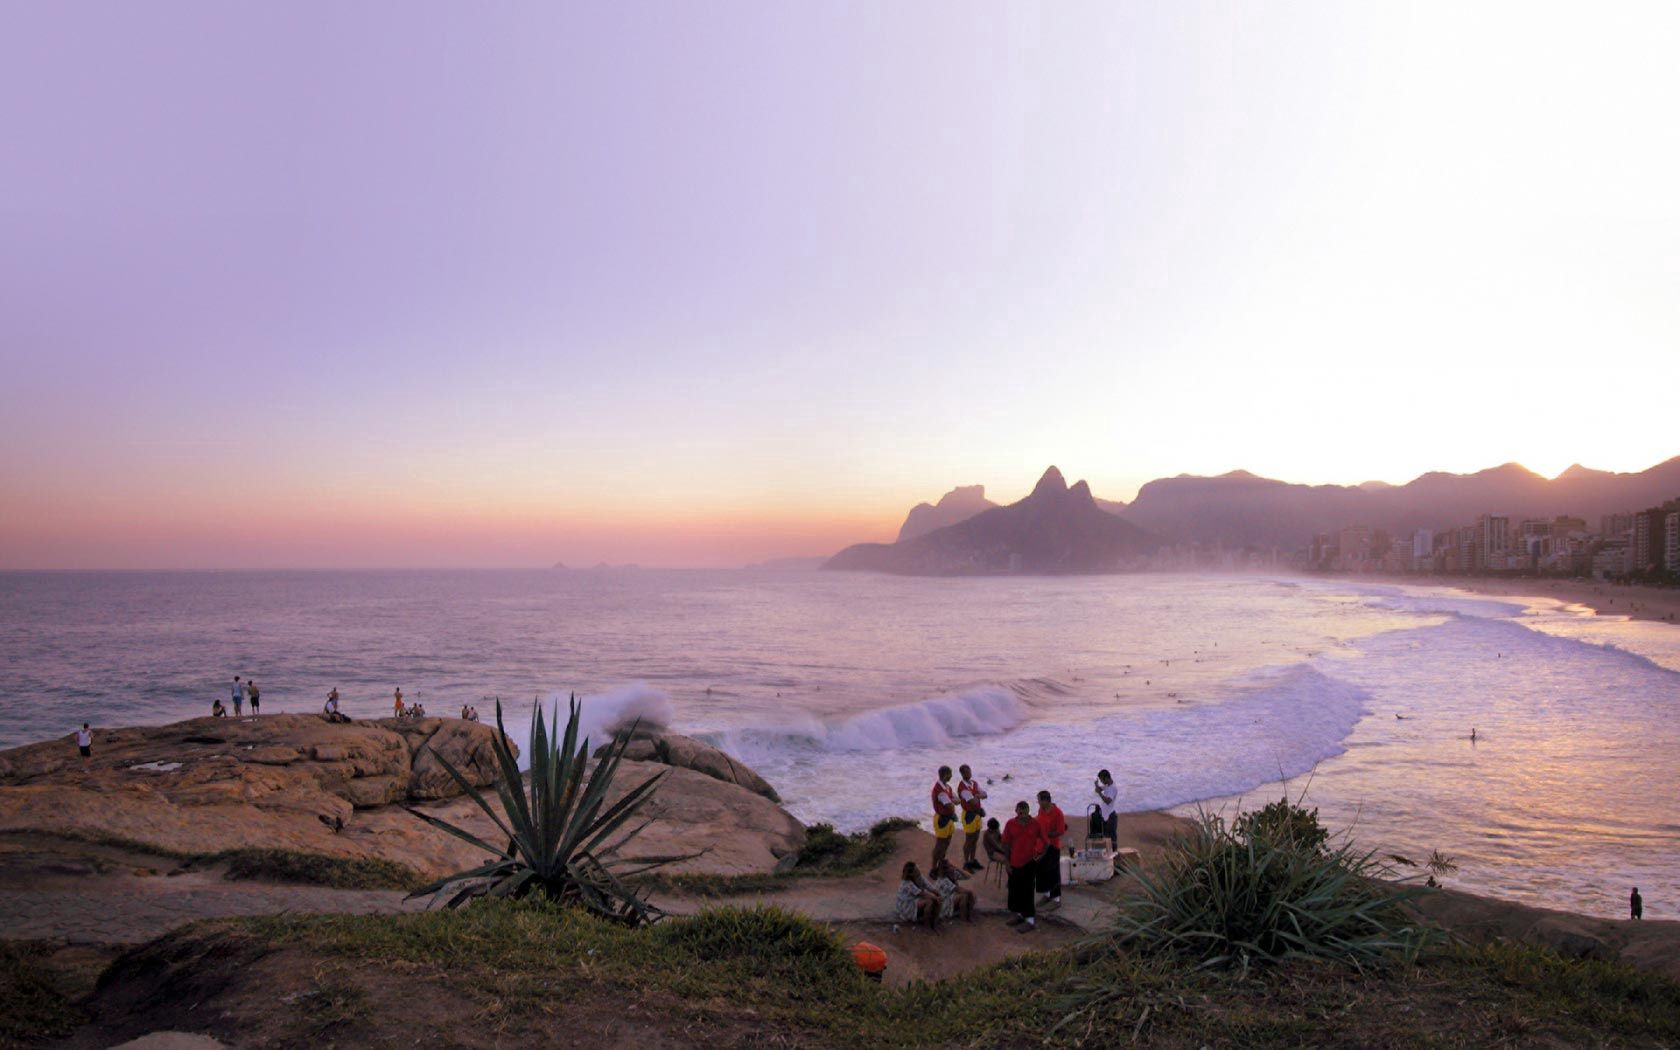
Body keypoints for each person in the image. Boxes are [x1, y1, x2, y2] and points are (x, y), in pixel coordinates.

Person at [1002, 801, 1047, 933]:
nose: (1022, 815)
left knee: (1027, 891)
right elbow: (1005, 844)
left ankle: (1030, 920)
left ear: (1028, 811)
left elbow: (1046, 842)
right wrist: (1006, 862)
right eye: (1020, 812)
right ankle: (1019, 915)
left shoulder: (1035, 824)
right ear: (1016, 811)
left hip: (1029, 863)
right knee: (1014, 890)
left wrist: (1040, 856)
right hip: (1014, 863)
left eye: (1025, 811)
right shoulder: (1010, 824)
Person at [1035, 790, 1067, 908]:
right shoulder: (1041, 810)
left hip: (1052, 846)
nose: (1038, 803)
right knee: (1042, 871)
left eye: (1039, 801)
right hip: (1040, 845)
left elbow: (1061, 831)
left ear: (1045, 800)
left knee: (1053, 872)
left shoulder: (1058, 813)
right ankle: (1047, 894)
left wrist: (1047, 835)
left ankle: (1056, 899)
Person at [957, 764, 988, 872]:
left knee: (975, 839)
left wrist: (977, 795)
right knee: (969, 840)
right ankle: (966, 863)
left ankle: (972, 860)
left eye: (969, 771)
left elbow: (985, 795)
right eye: (966, 772)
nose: (969, 773)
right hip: (969, 815)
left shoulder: (974, 783)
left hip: (976, 814)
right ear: (962, 774)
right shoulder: (962, 788)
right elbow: (973, 802)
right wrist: (978, 796)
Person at [894, 861, 941, 931]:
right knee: (929, 902)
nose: (918, 871)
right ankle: (927, 926)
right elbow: (922, 894)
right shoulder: (907, 884)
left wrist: (938, 894)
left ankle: (934, 924)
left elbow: (929, 886)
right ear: (911, 874)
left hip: (914, 900)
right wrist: (936, 898)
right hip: (907, 905)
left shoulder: (919, 877)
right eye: (916, 870)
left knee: (935, 900)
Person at [930, 765, 958, 870]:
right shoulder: (940, 790)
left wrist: (951, 800)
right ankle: (933, 868)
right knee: (939, 845)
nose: (951, 776)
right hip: (942, 819)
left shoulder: (947, 787)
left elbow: (957, 801)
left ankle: (940, 865)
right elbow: (951, 806)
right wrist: (952, 800)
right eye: (950, 774)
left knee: (946, 843)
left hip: (948, 818)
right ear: (946, 775)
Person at [1094, 769, 1119, 847]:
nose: (1102, 782)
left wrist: (1100, 794)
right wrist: (1096, 785)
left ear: (1106, 778)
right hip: (1105, 815)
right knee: (1106, 836)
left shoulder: (1113, 788)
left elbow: (1108, 801)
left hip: (1111, 816)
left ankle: (1114, 854)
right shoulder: (1107, 785)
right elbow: (1098, 790)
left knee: (1112, 838)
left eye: (1102, 780)